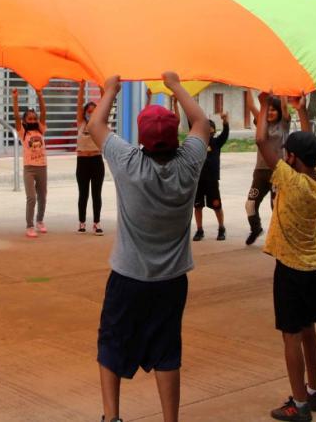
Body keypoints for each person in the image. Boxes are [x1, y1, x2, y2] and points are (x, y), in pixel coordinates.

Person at [87, 72, 209, 422]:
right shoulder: (189, 164)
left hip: (128, 277)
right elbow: (201, 121)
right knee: (167, 349)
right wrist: (175, 85)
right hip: (171, 280)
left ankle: (112, 418)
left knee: (112, 342)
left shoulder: (128, 163)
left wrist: (110, 90)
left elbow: (96, 125)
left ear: (140, 138)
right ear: (175, 137)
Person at [257, 94, 316, 422]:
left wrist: (261, 106)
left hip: (291, 269)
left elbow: (261, 140)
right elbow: (311, 144)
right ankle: (314, 391)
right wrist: (300, 110)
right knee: (309, 329)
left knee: (291, 335)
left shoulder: (291, 180)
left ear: (293, 158)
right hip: (315, 268)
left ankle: (298, 404)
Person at [245, 91, 291, 245]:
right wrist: (248, 87)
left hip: (277, 171)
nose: (270, 112)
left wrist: (283, 87)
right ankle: (256, 228)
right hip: (260, 171)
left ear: (279, 112)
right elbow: (251, 105)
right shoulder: (261, 122)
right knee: (250, 204)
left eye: (273, 110)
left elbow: (285, 106)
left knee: (275, 206)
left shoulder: (283, 125)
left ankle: (280, 235)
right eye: (268, 109)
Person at [12, 87, 47, 238]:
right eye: (30, 119)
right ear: (25, 121)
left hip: (42, 167)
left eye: (34, 118)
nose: (32, 120)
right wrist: (15, 98)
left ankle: (40, 221)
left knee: (42, 196)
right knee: (31, 197)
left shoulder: (40, 129)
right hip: (29, 168)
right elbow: (15, 115)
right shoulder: (23, 132)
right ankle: (30, 225)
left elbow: (44, 112)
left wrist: (40, 95)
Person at [193, 112, 229, 242]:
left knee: (216, 205)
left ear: (213, 130)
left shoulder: (216, 142)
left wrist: (225, 122)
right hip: (198, 180)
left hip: (212, 180)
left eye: (210, 126)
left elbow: (225, 135)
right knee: (197, 206)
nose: (207, 128)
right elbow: (192, 124)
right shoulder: (197, 143)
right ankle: (199, 230)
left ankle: (221, 228)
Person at [76, 81, 106, 235]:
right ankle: (82, 222)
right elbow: (79, 102)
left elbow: (104, 102)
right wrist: (81, 86)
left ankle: (96, 223)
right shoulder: (81, 123)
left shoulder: (100, 124)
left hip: (96, 160)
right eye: (89, 111)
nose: (91, 113)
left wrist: (101, 84)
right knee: (83, 194)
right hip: (82, 161)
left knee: (96, 194)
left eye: (94, 111)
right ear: (85, 112)